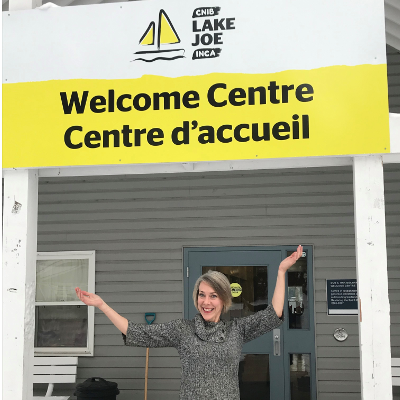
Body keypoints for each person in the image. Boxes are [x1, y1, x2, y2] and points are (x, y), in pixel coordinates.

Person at [75, 245, 303, 400]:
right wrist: (102, 305)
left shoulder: (237, 330)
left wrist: (281, 271)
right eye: (201, 294)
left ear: (224, 300)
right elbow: (137, 332)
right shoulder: (182, 330)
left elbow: (274, 313)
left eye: (213, 296)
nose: (206, 301)